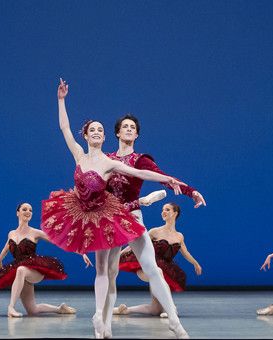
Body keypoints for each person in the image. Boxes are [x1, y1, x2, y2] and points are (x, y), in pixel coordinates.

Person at [41, 79, 186, 338]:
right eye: (92, 130)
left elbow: (138, 171)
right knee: (105, 270)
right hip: (86, 213)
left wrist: (167, 179)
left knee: (125, 267)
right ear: (85, 136)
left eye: (100, 130)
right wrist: (61, 100)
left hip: (111, 214)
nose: (96, 132)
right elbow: (64, 127)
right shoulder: (78, 154)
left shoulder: (110, 162)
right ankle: (101, 321)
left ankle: (173, 319)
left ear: (105, 136)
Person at [103, 113, 207, 338]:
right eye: (125, 127)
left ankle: (174, 320)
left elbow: (164, 178)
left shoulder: (140, 160)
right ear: (118, 133)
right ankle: (105, 324)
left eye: (133, 127)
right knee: (109, 273)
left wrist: (191, 192)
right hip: (110, 219)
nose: (129, 129)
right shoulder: (107, 159)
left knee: (152, 268)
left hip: (132, 216)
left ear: (137, 134)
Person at [0, 203, 92, 317]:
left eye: (30, 210)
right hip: (21, 271)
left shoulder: (35, 232)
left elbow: (58, 241)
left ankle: (11, 307)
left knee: (21, 270)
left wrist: (81, 252)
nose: (28, 212)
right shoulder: (12, 233)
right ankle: (60, 309)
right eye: (24, 209)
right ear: (17, 213)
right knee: (32, 310)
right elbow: (6, 249)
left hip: (34, 270)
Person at [114, 203, 202, 316]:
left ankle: (125, 310)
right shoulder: (155, 231)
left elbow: (185, 253)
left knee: (155, 309)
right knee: (158, 271)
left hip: (165, 270)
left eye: (167, 209)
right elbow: (133, 245)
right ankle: (171, 308)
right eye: (162, 210)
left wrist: (196, 264)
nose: (163, 212)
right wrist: (118, 255)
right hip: (147, 267)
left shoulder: (179, 236)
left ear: (175, 213)